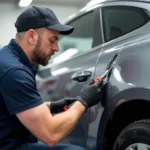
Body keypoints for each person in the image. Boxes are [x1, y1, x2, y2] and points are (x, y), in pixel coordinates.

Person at [0, 6, 104, 150]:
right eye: (52, 40)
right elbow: (51, 134)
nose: (56, 48)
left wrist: (53, 106)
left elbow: (20, 107)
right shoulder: (14, 72)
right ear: (31, 36)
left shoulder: (12, 59)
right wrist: (84, 100)